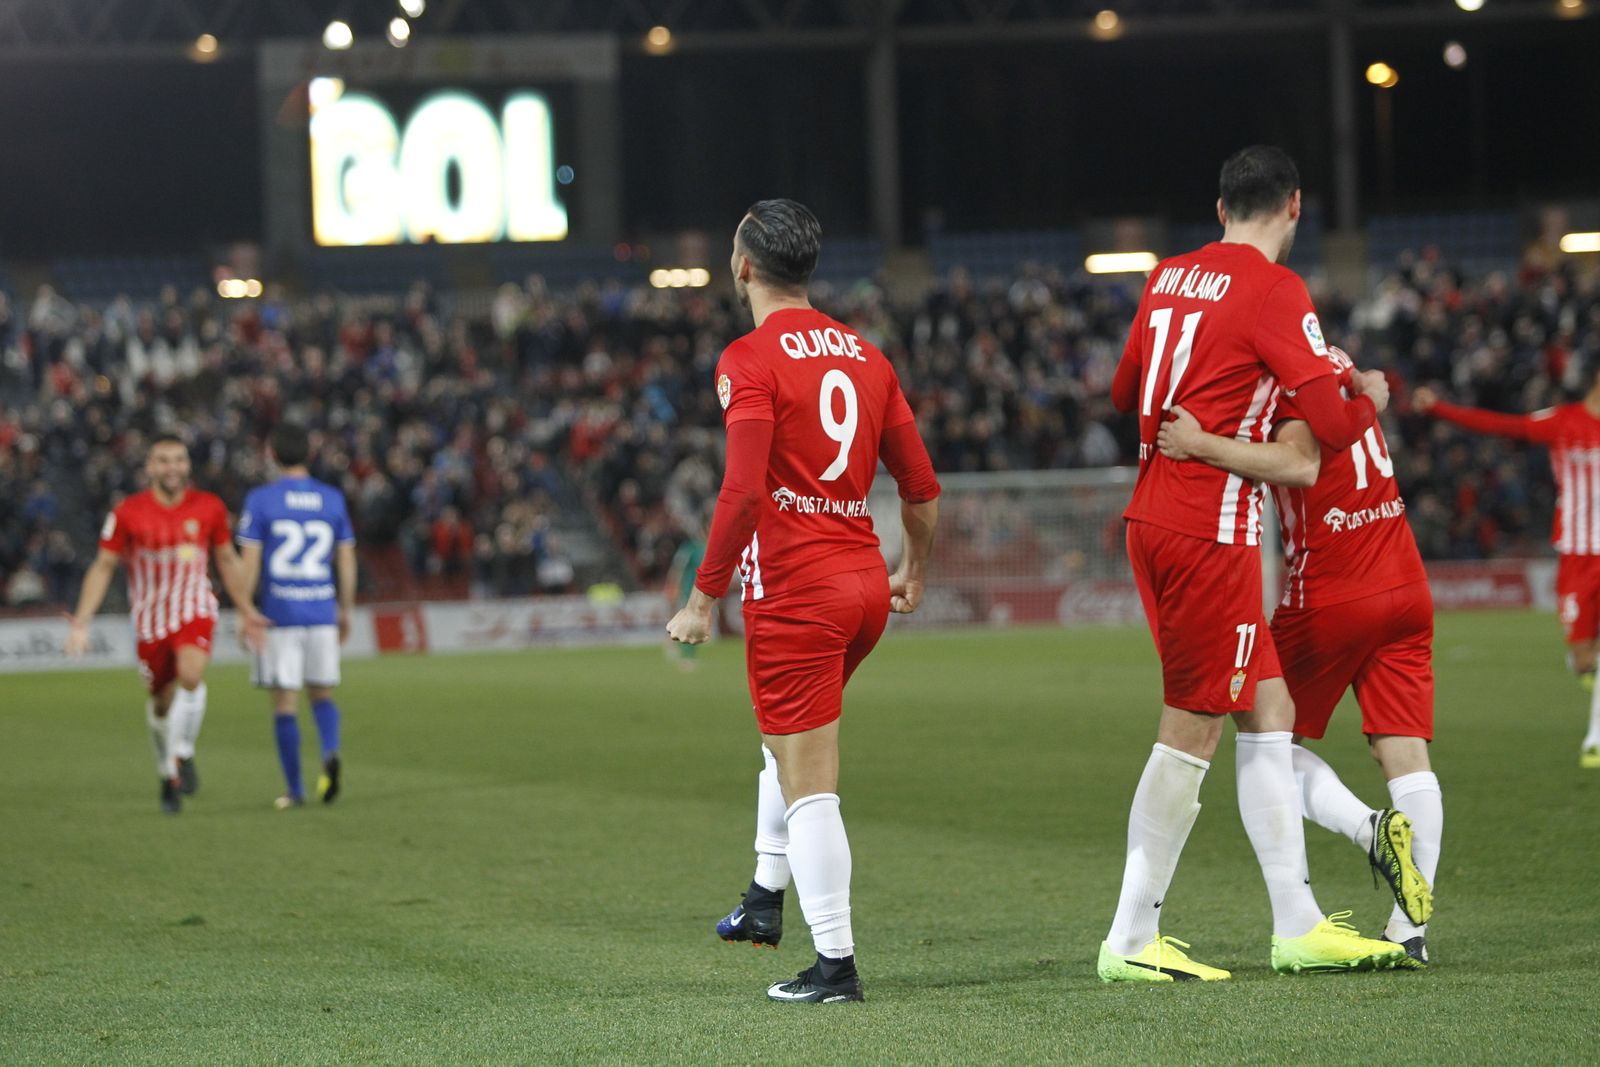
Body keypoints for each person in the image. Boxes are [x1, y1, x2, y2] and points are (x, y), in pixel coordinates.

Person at [1101, 146, 1408, 981]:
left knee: (1267, 712)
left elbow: (1126, 386)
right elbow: (1329, 428)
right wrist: (1367, 400)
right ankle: (1130, 937)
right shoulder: (1276, 289)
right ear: (1296, 207)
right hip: (1211, 529)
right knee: (1193, 725)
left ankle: (1298, 923)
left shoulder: (1166, 276)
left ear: (1220, 208)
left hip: (1154, 511)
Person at [666, 199, 941, 1004]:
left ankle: (836, 966)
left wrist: (701, 597)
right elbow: (920, 487)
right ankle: (762, 896)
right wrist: (914, 568)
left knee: (810, 777)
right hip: (862, 581)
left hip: (796, 589)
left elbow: (743, 489)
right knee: (786, 745)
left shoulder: (748, 359)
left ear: (744, 266)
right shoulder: (867, 355)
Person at [1157, 344, 1440, 967]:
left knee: (1263, 735)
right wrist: (1370, 394)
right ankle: (1408, 932)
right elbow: (1354, 411)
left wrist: (1202, 444)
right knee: (1405, 751)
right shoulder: (1336, 366)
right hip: (1406, 580)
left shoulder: (1278, 380)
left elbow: (1297, 463)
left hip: (1331, 590)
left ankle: (1370, 832)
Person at [64, 434, 267, 814]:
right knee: (161, 703)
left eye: (178, 460)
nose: (171, 467)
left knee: (191, 674)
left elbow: (225, 559)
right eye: (163, 461)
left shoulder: (208, 507)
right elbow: (104, 565)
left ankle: (183, 752)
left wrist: (245, 609)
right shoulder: (127, 512)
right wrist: (82, 621)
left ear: (187, 465)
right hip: (150, 619)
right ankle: (165, 769)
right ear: (150, 468)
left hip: (194, 607)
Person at [1414, 380, 1600, 768]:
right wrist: (1438, 409)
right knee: (1583, 659)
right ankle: (1584, 665)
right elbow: (1500, 425)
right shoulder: (1563, 422)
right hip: (1577, 555)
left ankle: (1594, 741)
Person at [236, 423, 357, 810]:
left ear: (272, 453)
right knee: (322, 693)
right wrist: (346, 607)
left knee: (284, 704)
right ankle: (331, 750)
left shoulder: (261, 499)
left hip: (279, 614)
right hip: (321, 608)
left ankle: (295, 790)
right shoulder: (332, 498)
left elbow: (249, 563)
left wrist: (244, 610)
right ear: (310, 452)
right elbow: (347, 559)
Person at [663, 512, 708, 671]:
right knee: (691, 622)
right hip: (688, 590)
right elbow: (678, 568)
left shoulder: (708, 548)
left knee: (695, 623)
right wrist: (674, 584)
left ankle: (672, 642)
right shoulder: (691, 548)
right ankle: (687, 657)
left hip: (702, 592)